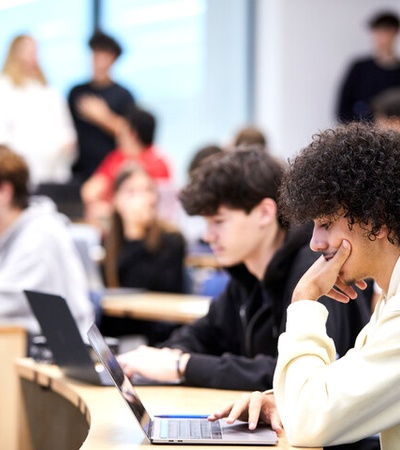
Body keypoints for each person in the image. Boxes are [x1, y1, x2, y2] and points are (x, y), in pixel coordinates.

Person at [116, 147, 372, 392]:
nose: (208, 236)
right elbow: (205, 334)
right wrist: (160, 356)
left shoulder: (315, 269)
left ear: (264, 213)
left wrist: (182, 366)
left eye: (218, 221)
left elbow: (292, 373)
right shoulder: (246, 273)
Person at [209, 123, 400, 449]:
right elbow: (343, 390)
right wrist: (282, 400)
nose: (314, 243)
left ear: (378, 221)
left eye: (325, 224)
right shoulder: (390, 297)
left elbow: (310, 425)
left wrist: (303, 300)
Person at [0, 145, 94, 343]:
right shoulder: (12, 233)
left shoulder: (39, 235)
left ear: (5, 192)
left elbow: (7, 301)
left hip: (65, 354)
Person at [100, 164, 186, 344]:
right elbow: (112, 287)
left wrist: (136, 234)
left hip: (156, 332)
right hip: (117, 332)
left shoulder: (172, 240)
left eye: (148, 191)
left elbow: (157, 291)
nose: (141, 199)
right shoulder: (109, 242)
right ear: (116, 201)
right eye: (131, 192)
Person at [0, 34, 76, 186]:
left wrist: (67, 144)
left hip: (53, 173)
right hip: (20, 172)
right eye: (27, 50)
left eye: (34, 51)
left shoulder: (49, 91)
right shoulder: (5, 88)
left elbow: (66, 129)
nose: (32, 56)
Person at [81, 107, 171, 229]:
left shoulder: (157, 163)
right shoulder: (117, 157)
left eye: (122, 126)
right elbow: (89, 191)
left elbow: (156, 207)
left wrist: (110, 210)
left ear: (132, 133)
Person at [68, 30, 136, 183]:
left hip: (112, 172)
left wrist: (103, 117)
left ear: (113, 59)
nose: (98, 61)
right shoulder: (76, 92)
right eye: (95, 55)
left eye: (104, 56)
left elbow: (130, 135)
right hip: (79, 171)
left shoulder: (124, 95)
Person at [336, 11, 400, 123]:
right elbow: (343, 110)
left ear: (395, 32)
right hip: (364, 135)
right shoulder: (359, 68)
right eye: (377, 32)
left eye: (385, 31)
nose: (380, 37)